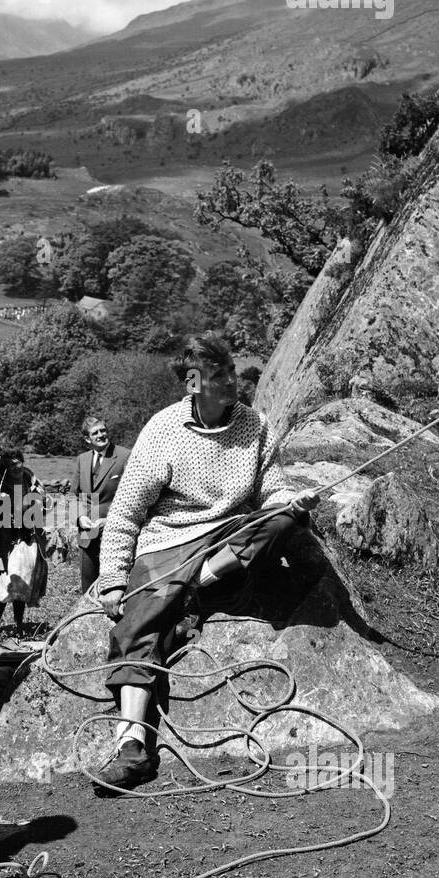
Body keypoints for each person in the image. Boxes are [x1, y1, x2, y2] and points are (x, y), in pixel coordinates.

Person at [94, 336, 319, 792]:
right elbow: (126, 513)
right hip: (169, 540)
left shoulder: (255, 425)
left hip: (230, 534)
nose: (232, 381)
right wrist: (115, 578)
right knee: (140, 621)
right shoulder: (163, 430)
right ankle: (132, 741)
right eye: (218, 376)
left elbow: (272, 490)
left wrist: (290, 499)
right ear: (194, 384)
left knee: (286, 519)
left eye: (231, 370)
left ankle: (196, 586)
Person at [0, 447, 44, 638]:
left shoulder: (30, 478)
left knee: (22, 581)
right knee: (3, 581)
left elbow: (40, 500)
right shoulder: (0, 483)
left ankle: (19, 625)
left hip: (25, 539)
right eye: (10, 465)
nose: (15, 468)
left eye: (18, 463)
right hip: (5, 542)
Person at [72, 417, 130, 593]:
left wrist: (109, 520)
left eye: (103, 430)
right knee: (88, 589)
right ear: (87, 439)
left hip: (115, 534)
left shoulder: (124, 456)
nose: (101, 435)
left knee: (114, 587)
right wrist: (80, 516)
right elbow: (73, 494)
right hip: (87, 536)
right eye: (95, 432)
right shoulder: (82, 459)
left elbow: (133, 496)